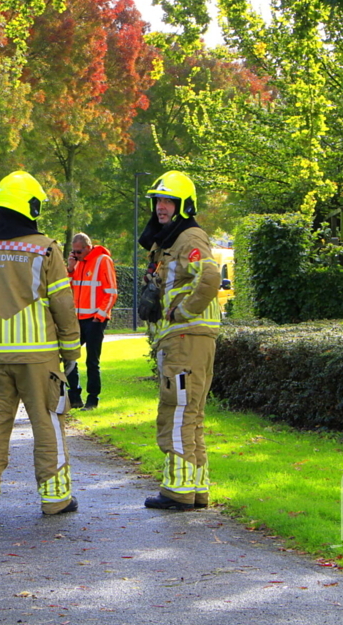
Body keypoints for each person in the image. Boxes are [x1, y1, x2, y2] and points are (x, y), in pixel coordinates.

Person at [0, 171, 81, 516]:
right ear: (32, 206)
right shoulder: (45, 249)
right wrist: (70, 353)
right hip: (38, 357)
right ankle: (56, 498)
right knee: (47, 422)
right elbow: (63, 307)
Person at [138, 170, 221, 511]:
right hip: (189, 339)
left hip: (185, 339)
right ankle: (197, 488)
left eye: (169, 201)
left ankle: (177, 490)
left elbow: (211, 275)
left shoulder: (188, 238)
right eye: (158, 201)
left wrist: (183, 311)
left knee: (176, 411)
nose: (162, 207)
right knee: (192, 414)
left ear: (184, 205)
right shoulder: (170, 242)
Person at [65, 232, 118, 410]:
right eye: (73, 252)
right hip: (78, 319)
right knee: (69, 356)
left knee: (92, 361)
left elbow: (111, 292)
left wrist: (99, 317)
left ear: (88, 247)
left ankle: (92, 400)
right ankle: (74, 396)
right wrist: (71, 268)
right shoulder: (78, 263)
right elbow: (68, 288)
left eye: (78, 252)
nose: (76, 255)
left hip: (95, 319)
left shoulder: (103, 260)